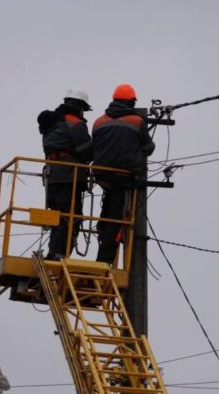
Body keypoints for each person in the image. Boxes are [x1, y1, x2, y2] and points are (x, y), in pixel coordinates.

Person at [92, 83, 155, 264]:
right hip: (124, 177)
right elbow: (149, 148)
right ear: (132, 103)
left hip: (102, 176)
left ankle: (102, 235)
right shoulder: (136, 122)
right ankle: (104, 260)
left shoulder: (98, 122)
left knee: (109, 211)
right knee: (117, 220)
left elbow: (95, 147)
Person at [37, 88, 93, 260]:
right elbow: (87, 151)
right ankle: (59, 254)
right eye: (83, 109)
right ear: (79, 106)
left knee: (57, 216)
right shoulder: (75, 123)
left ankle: (53, 252)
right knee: (71, 217)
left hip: (52, 175)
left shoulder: (51, 122)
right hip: (69, 176)